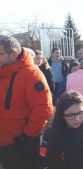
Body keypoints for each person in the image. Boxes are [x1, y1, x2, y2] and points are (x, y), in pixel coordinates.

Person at [0, 36, 53, 169]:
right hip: (5, 141)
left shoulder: (31, 74)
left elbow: (43, 109)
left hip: (21, 142)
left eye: (0, 54)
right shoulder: (3, 71)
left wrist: (27, 136)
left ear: (14, 54)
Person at [38, 91, 83, 169]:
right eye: (71, 115)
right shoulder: (51, 133)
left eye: (80, 113)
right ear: (62, 115)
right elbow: (42, 159)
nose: (77, 118)